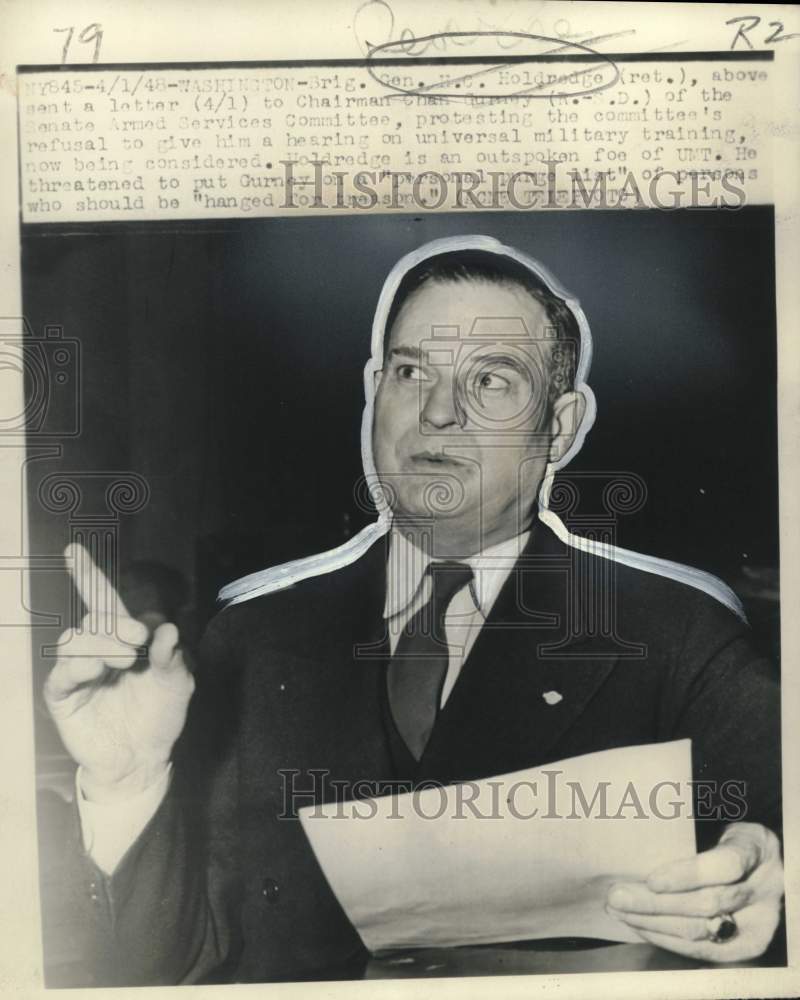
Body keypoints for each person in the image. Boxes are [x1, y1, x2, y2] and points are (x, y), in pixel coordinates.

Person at [41, 236, 783, 986]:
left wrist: (768, 887)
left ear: (561, 425)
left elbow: (771, 837)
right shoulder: (250, 642)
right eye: (410, 372)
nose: (437, 412)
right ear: (375, 392)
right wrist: (129, 783)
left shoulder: (679, 642)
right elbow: (167, 971)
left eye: (490, 380)